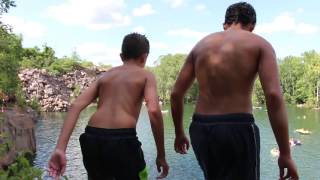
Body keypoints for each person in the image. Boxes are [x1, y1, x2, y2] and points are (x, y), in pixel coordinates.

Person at [170, 2, 298, 180]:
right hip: (237, 128)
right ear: (252, 26)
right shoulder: (260, 44)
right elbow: (274, 96)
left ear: (224, 24)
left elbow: (176, 94)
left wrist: (179, 133)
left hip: (200, 128)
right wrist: (285, 153)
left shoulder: (200, 46)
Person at [48, 33, 169, 180]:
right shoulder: (146, 75)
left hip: (92, 137)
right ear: (144, 57)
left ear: (121, 56)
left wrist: (60, 149)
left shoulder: (104, 76)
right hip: (122, 140)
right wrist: (161, 155)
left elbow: (76, 106)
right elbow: (154, 110)